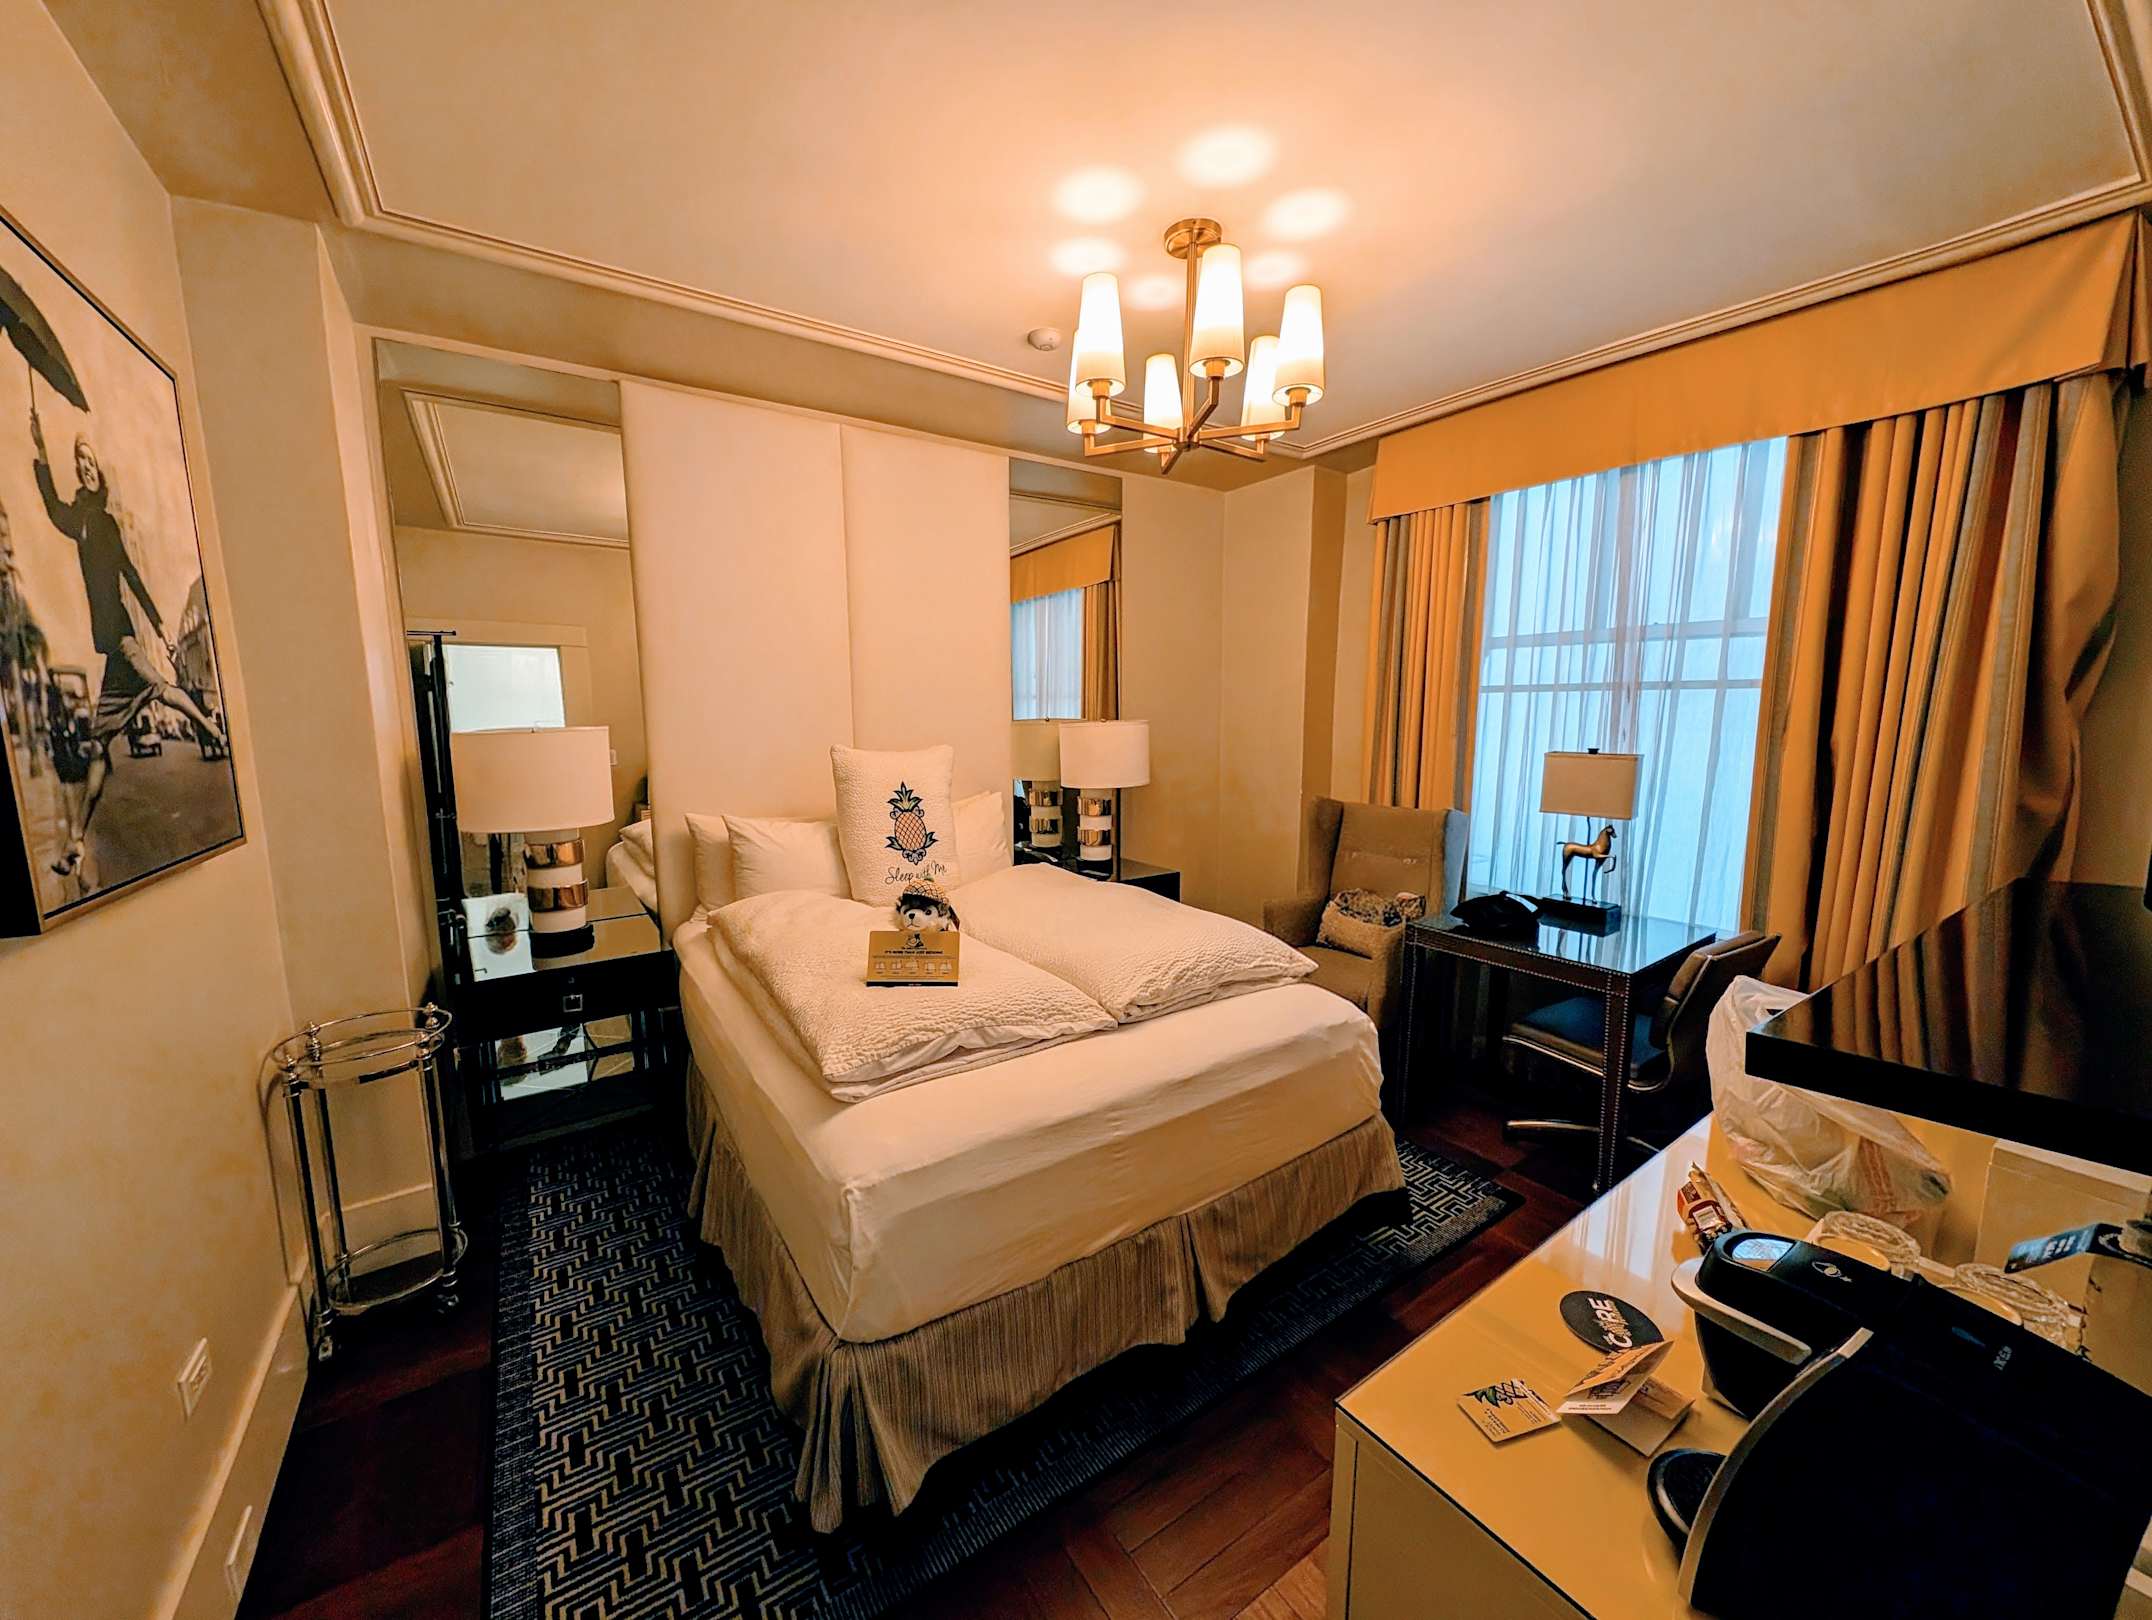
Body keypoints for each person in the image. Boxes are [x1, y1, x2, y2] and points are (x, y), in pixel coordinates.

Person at [30, 406, 226, 877]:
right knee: (100, 746)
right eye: (79, 462)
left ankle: (213, 729)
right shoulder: (80, 519)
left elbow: (131, 575)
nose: (85, 467)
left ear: (99, 472)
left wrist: (159, 628)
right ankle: (77, 841)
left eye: (90, 462)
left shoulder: (107, 522)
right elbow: (52, 507)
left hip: (123, 636)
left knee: (159, 687)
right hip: (111, 649)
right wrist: (40, 452)